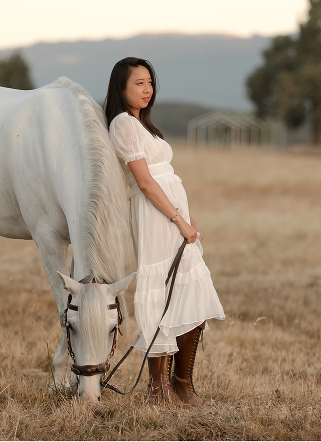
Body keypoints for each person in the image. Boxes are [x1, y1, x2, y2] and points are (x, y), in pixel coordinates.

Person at [105, 57, 225, 406]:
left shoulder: (143, 125)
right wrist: (177, 219)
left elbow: (166, 179)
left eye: (149, 82)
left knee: (192, 293)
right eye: (138, 83)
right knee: (163, 293)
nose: (147, 89)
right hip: (156, 216)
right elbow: (144, 183)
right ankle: (159, 389)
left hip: (172, 214)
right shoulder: (123, 125)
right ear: (121, 88)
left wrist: (189, 217)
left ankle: (182, 383)